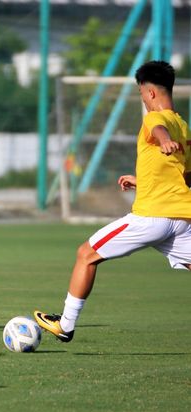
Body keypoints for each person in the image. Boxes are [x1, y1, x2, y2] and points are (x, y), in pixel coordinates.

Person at [35, 60, 191, 343]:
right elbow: (184, 177)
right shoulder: (184, 126)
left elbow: (158, 129)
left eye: (142, 94)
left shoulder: (156, 119)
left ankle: (65, 325)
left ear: (150, 93)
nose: (143, 99)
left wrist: (164, 140)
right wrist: (142, 181)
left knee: (86, 254)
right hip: (182, 220)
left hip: (151, 218)